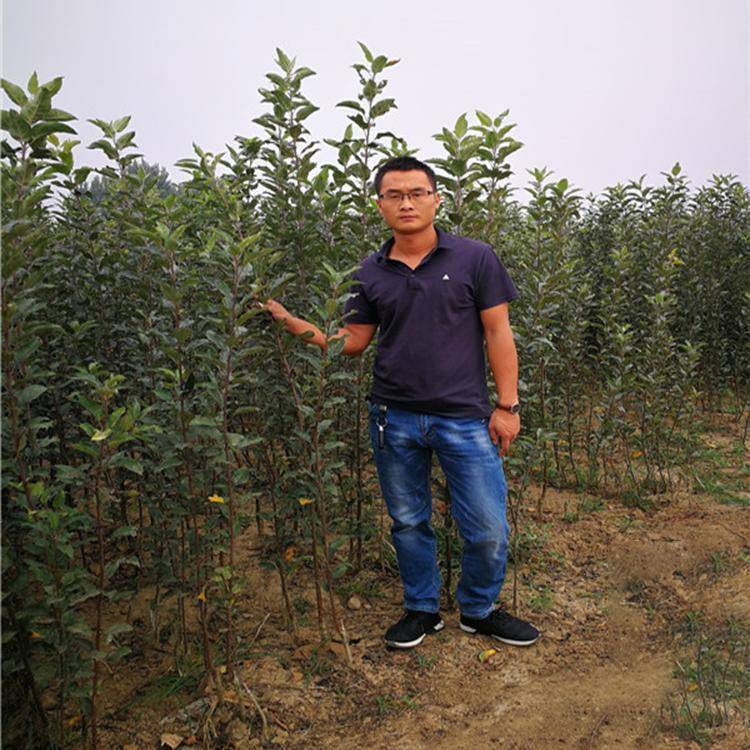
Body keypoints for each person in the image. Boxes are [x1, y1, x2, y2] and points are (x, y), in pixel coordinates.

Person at [264, 156, 540, 649]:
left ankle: (479, 610)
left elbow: (498, 332)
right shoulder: (369, 272)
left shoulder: (475, 258)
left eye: (416, 193)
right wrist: (292, 324)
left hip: (464, 418)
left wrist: (508, 406)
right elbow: (352, 341)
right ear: (379, 205)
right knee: (409, 521)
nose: (406, 203)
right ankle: (422, 609)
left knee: (487, 527)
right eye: (394, 195)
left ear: (437, 199)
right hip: (394, 417)